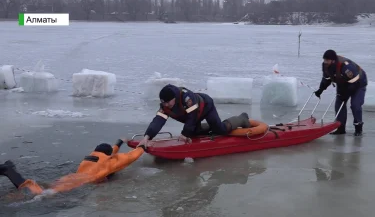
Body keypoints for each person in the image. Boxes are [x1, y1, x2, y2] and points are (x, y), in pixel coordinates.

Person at [0, 139, 145, 196]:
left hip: (69, 178)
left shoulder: (92, 157)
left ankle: (12, 175)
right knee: (41, 195)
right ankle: (9, 171)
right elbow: (130, 157)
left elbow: (110, 152)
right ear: (109, 156)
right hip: (79, 182)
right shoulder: (108, 163)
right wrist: (143, 146)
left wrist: (119, 142)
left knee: (47, 188)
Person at [137, 84, 251, 147]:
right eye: (163, 103)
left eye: (168, 102)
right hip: (192, 115)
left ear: (174, 98)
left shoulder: (187, 97)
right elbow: (158, 121)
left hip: (205, 107)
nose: (166, 105)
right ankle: (210, 127)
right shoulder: (165, 105)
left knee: (220, 130)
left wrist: (184, 134)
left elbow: (192, 117)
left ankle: (242, 118)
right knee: (194, 132)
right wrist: (147, 137)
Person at [314, 50, 367, 136]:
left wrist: (346, 93)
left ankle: (358, 128)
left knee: (355, 105)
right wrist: (320, 89)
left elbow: (354, 82)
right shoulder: (325, 65)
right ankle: (341, 128)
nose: (325, 62)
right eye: (324, 60)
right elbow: (326, 78)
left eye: (327, 60)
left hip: (358, 83)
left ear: (333, 60)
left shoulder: (346, 66)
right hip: (342, 83)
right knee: (339, 104)